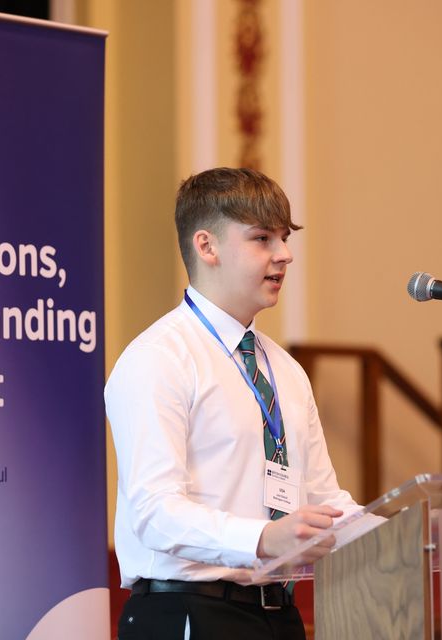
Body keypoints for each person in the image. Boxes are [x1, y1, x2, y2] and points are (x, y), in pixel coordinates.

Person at [105, 167, 359, 639]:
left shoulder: (286, 371)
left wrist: (403, 534)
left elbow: (325, 500)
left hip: (278, 614)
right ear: (207, 247)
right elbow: (155, 514)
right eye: (262, 238)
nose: (284, 255)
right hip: (189, 612)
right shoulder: (158, 359)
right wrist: (263, 539)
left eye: (284, 238)